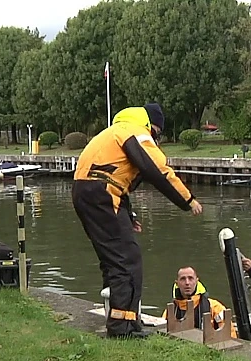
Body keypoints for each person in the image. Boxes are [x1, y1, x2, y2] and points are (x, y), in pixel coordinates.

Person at [72, 103, 203, 339]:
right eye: (158, 133)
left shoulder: (115, 132)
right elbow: (156, 170)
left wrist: (128, 214)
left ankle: (120, 319)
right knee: (127, 260)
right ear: (151, 126)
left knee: (113, 259)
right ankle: (123, 327)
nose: (156, 139)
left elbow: (117, 177)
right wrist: (188, 200)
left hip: (87, 192)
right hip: (102, 193)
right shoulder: (137, 133)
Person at [161, 266, 237, 338]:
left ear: (196, 281)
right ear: (177, 283)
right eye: (183, 279)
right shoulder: (170, 311)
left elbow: (230, 334)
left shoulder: (214, 307)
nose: (187, 283)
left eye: (190, 278)